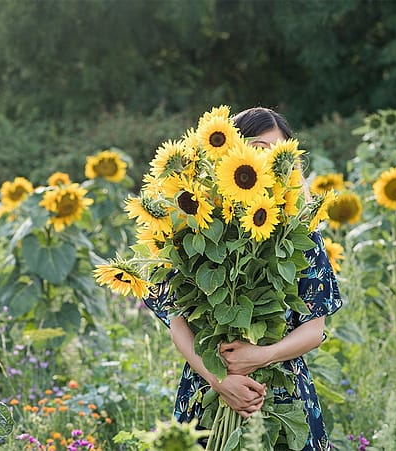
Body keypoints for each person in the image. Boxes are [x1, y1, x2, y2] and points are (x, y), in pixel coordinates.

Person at [144, 107, 343, 451]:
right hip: (208, 387)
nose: (262, 161)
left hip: (280, 389)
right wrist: (221, 379)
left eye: (274, 153)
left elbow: (314, 329)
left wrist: (260, 356)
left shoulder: (301, 233)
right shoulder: (194, 228)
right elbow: (177, 321)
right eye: (254, 148)